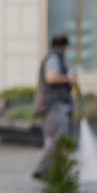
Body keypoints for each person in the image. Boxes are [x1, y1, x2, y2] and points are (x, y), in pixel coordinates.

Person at [31, 34, 76, 179]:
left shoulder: (53, 57)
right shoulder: (54, 58)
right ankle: (42, 168)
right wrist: (70, 79)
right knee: (58, 136)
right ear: (65, 46)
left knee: (53, 138)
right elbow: (51, 77)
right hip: (54, 105)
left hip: (50, 105)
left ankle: (53, 170)